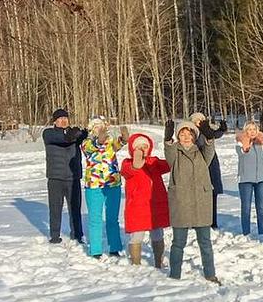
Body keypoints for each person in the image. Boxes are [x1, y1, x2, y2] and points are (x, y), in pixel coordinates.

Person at [164, 120, 219, 283]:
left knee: (205, 242)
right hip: (181, 201)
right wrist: (167, 139)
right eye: (182, 134)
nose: (186, 137)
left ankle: (210, 274)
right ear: (178, 136)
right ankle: (175, 275)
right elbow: (168, 152)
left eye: (189, 134)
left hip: (201, 201)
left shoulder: (202, 153)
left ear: (195, 136)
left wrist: (209, 137)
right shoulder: (175, 153)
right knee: (178, 242)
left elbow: (210, 148)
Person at [120, 133, 170, 267]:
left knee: (157, 235)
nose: (142, 149)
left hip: (155, 207)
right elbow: (126, 172)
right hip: (138, 208)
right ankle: (136, 262)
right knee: (137, 236)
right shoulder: (127, 163)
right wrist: (135, 165)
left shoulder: (154, 161)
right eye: (139, 147)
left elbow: (169, 165)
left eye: (145, 146)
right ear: (132, 149)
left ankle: (159, 260)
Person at [81, 116, 128, 258]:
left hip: (113, 184)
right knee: (95, 218)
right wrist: (99, 140)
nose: (99, 129)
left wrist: (124, 138)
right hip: (94, 186)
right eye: (96, 127)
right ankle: (96, 250)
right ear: (91, 129)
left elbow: (118, 144)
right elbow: (93, 146)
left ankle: (114, 247)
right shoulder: (86, 143)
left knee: (112, 218)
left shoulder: (110, 142)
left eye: (101, 126)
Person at [42, 108, 87, 244]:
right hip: (55, 178)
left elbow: (84, 140)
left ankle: (77, 235)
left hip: (73, 177)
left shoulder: (74, 134)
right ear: (55, 121)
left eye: (65, 118)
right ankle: (55, 236)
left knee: (75, 208)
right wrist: (75, 134)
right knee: (55, 208)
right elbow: (63, 139)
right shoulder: (49, 134)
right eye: (60, 119)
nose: (63, 121)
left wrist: (84, 133)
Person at [190, 112, 227, 230]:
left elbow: (215, 134)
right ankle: (196, 221)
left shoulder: (207, 130)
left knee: (212, 192)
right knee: (197, 194)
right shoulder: (190, 133)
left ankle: (213, 221)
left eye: (201, 120)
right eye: (196, 120)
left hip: (211, 163)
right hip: (197, 163)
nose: (199, 122)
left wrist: (222, 129)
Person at [236, 121, 263, 239]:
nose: (252, 132)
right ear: (245, 131)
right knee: (246, 207)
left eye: (254, 129)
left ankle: (262, 232)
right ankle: (246, 233)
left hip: (262, 178)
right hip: (245, 179)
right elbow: (241, 153)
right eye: (249, 129)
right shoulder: (240, 143)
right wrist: (245, 143)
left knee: (261, 208)